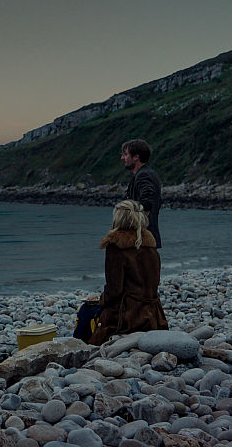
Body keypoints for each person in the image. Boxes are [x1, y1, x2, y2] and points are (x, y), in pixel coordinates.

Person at [88, 199, 167, 345]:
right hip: (154, 315)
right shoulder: (150, 244)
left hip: (128, 317)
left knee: (86, 313)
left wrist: (101, 301)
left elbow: (114, 290)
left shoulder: (116, 245)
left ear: (118, 218)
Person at [120, 139, 162, 248]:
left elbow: (148, 202)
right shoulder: (145, 173)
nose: (122, 158)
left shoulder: (144, 175)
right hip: (145, 239)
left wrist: (124, 214)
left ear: (136, 157)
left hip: (143, 240)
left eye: (125, 154)